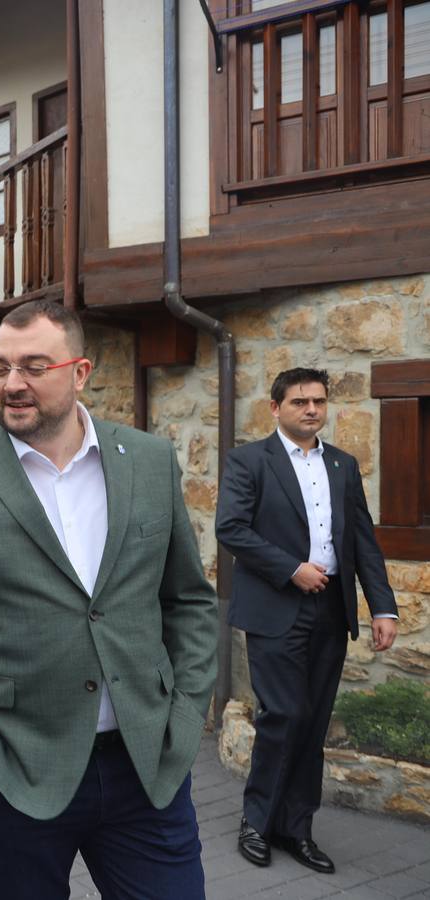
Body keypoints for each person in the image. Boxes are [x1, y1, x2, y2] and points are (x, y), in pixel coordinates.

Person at [0, 300, 217, 900]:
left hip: (145, 763)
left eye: (34, 366)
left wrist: (187, 712)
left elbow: (188, 601)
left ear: (80, 371)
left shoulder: (148, 461)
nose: (12, 384)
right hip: (12, 768)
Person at [216, 368, 398, 875]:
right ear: (275, 408)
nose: (311, 410)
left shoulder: (342, 464)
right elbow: (230, 528)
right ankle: (256, 822)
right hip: (276, 607)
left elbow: (362, 540)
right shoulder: (249, 461)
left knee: (313, 721)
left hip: (330, 613)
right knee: (282, 716)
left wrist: (382, 606)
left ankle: (297, 828)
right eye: (299, 402)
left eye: (318, 401)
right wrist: (290, 569)